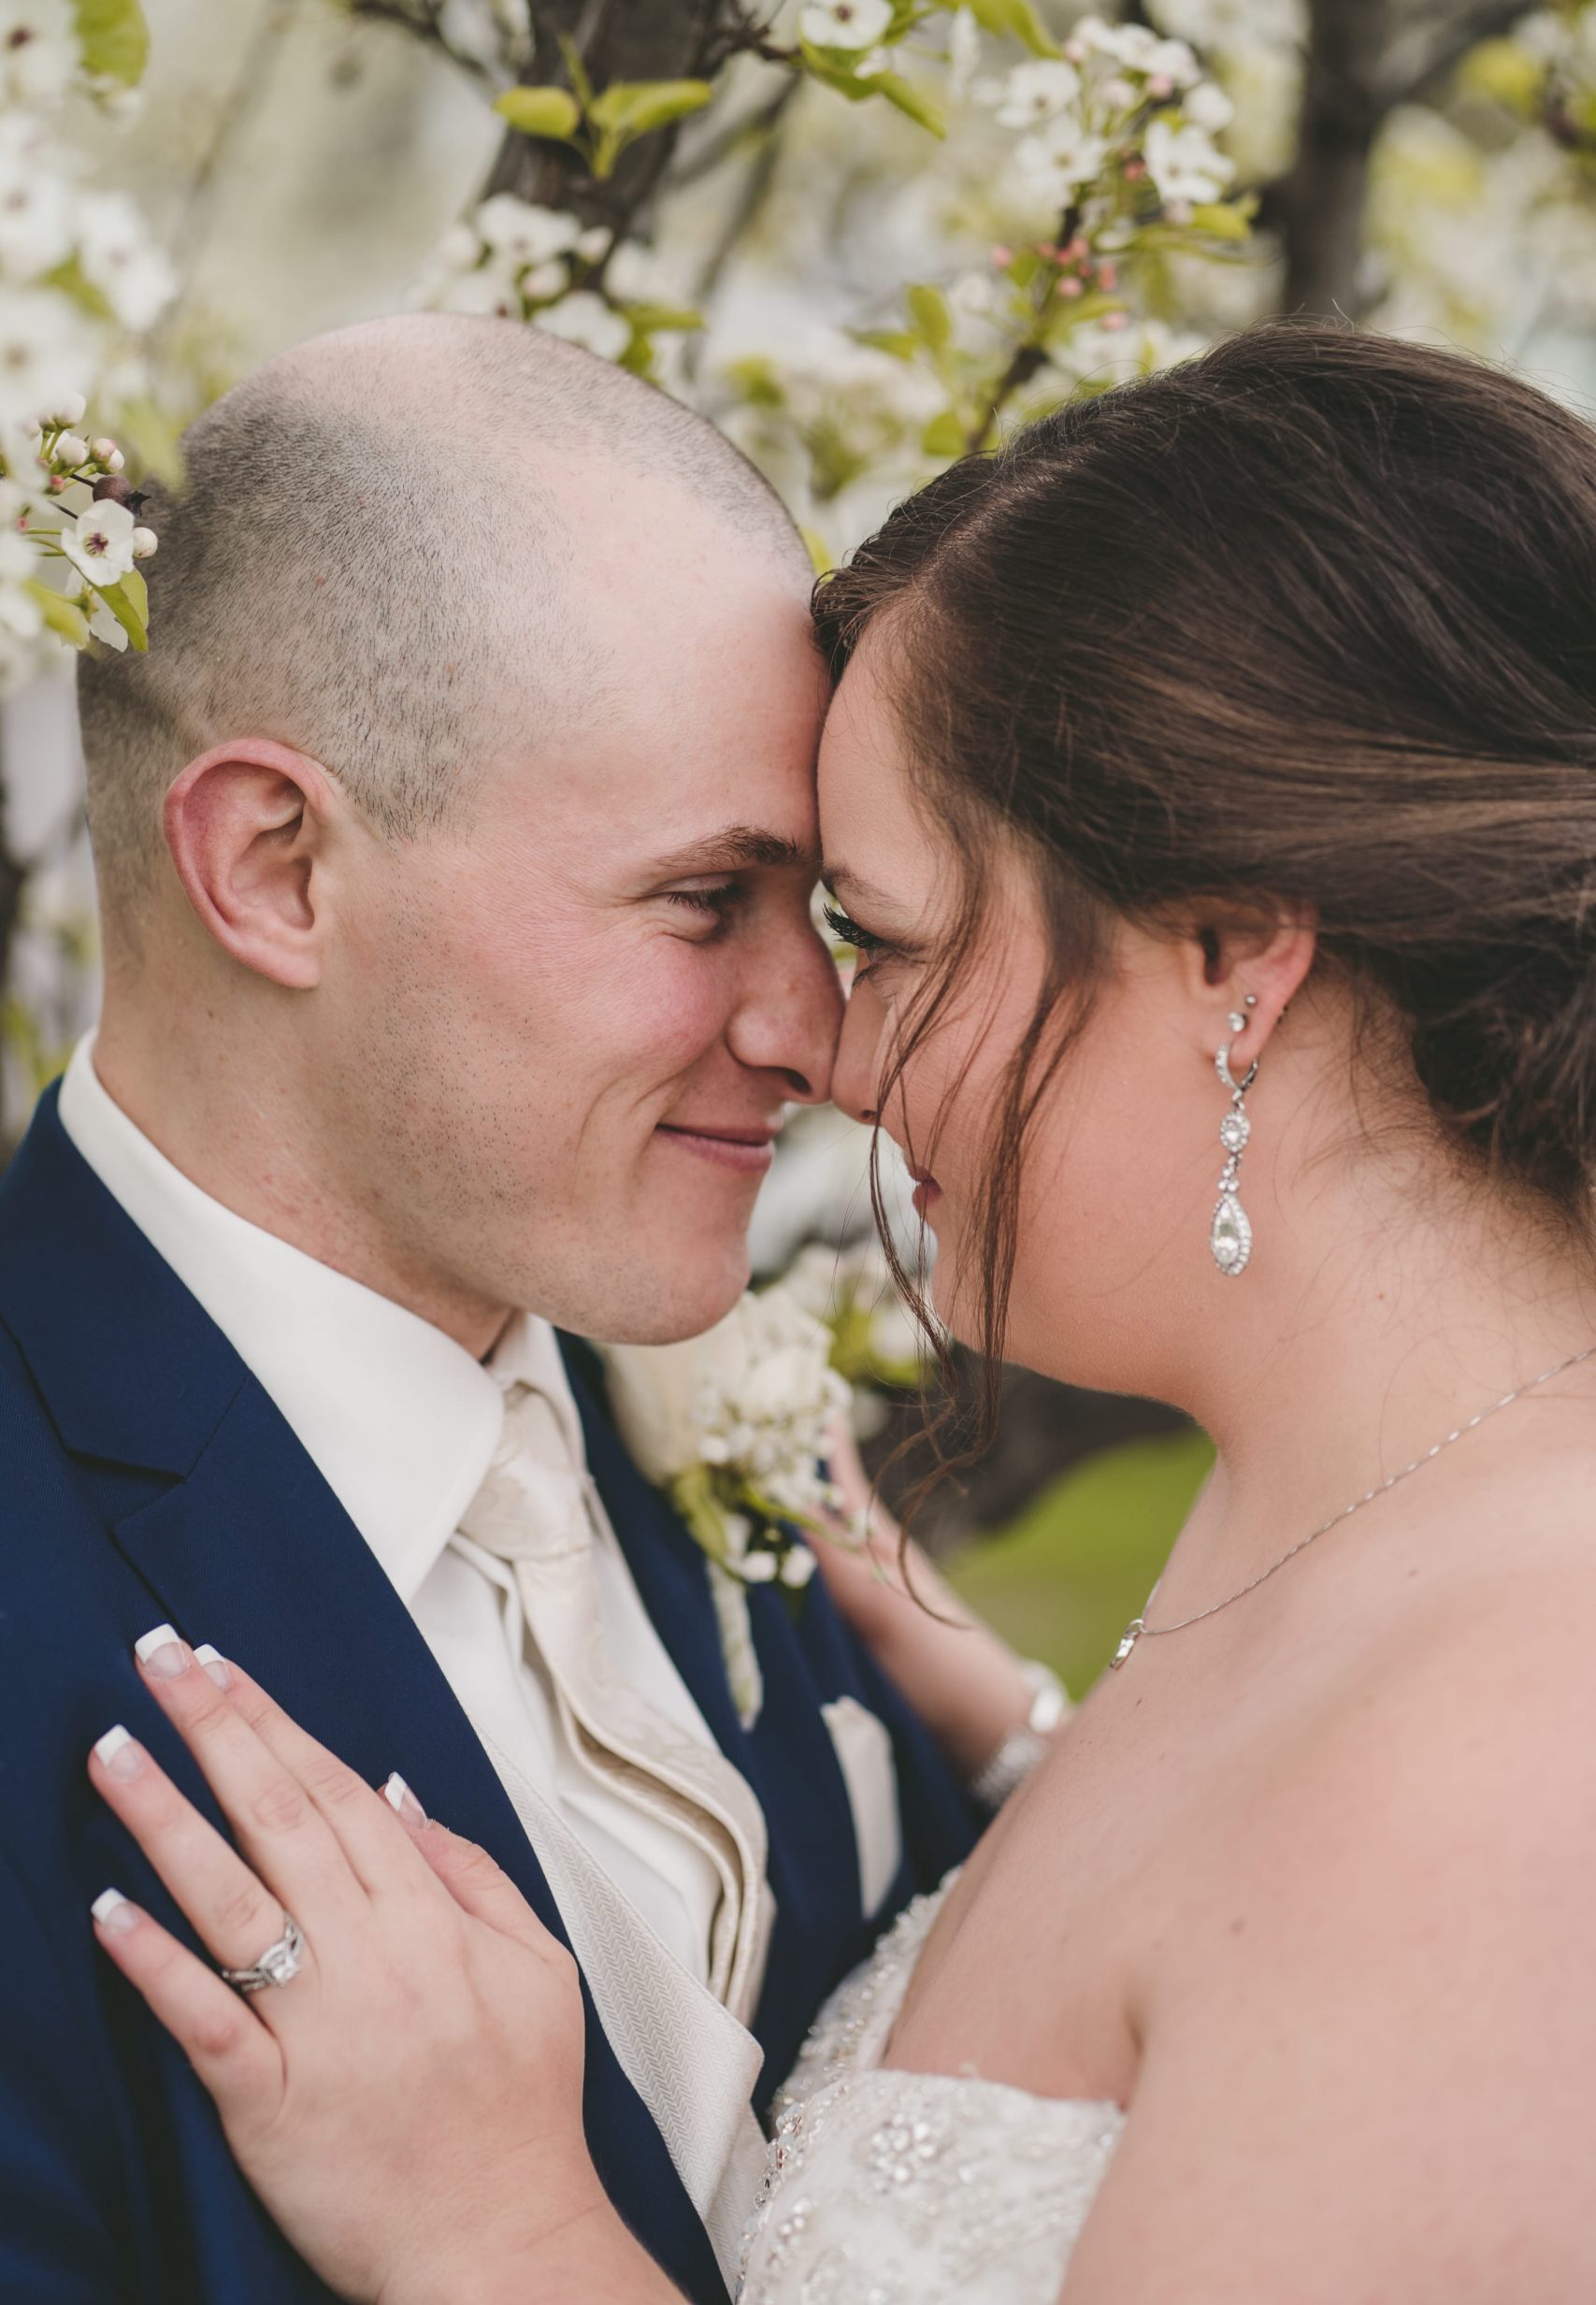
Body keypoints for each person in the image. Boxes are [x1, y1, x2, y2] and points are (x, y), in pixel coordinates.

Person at [88, 320, 1596, 2303]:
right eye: (721, 905)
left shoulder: (1502, 1764)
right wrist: (1036, 1773)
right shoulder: (1350, 1532)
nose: (832, 1052)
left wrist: (504, 2235)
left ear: (1230, 951)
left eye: (881, 939)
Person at [0, 314, 1049, 2303]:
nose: (813, 1034)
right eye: (700, 901)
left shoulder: (691, 1419)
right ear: (277, 864)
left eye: (815, 914)